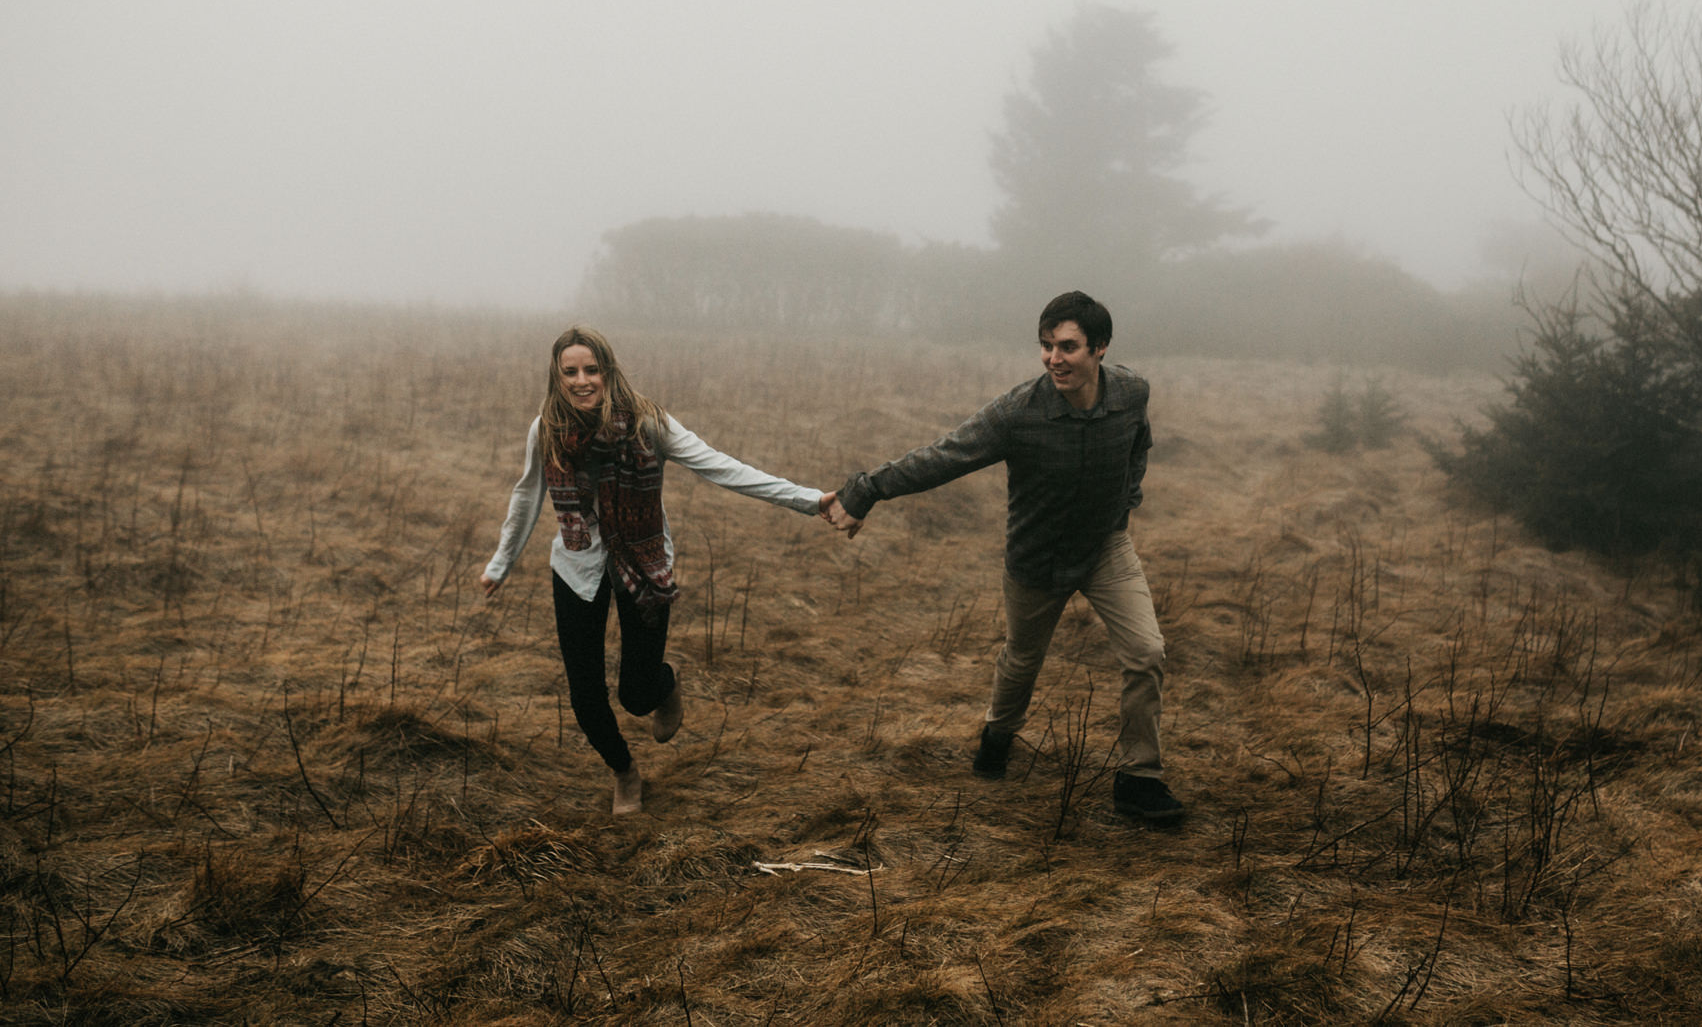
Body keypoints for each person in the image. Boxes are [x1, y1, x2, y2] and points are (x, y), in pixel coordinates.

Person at [819, 290, 1184, 821]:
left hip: (1106, 546)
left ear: (1100, 348)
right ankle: (998, 733)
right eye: (1045, 346)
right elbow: (943, 456)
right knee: (1022, 659)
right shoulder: (1018, 413)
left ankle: (1139, 780)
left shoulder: (1131, 393)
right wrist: (866, 490)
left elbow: (1138, 446)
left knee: (1147, 653)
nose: (1053, 359)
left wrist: (1125, 502)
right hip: (1037, 558)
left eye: (1067, 347)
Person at [481, 325, 825, 815]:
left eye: (591, 369)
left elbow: (722, 467)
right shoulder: (547, 429)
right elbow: (526, 494)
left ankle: (663, 684)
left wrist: (811, 501)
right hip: (575, 567)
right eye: (570, 372)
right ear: (556, 378)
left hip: (644, 565)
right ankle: (625, 772)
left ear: (608, 370)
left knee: (636, 695)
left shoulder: (648, 424)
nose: (582, 381)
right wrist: (501, 562)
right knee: (585, 695)